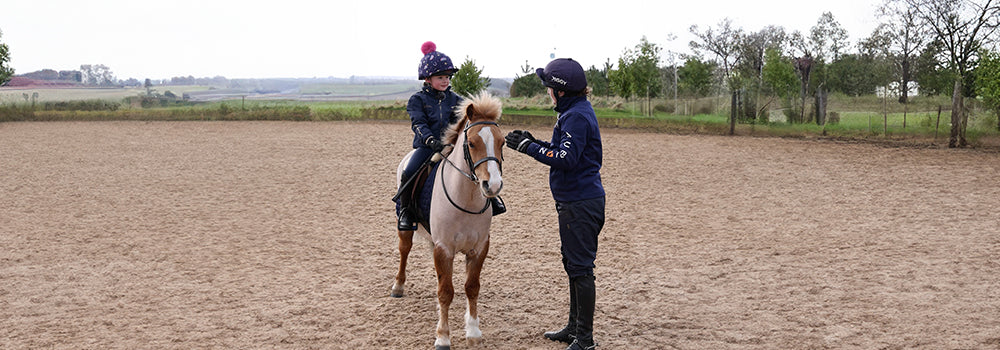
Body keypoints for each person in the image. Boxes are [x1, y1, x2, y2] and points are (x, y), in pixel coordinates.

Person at [504, 58, 605, 350]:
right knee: (573, 264)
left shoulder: (575, 116)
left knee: (581, 268)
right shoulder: (575, 111)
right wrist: (533, 141)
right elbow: (561, 149)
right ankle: (574, 328)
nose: (547, 92)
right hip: (575, 201)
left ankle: (584, 339)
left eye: (549, 87)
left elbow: (567, 159)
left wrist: (529, 149)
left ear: (559, 91)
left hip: (580, 203)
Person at [396, 41, 505, 231]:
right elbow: (418, 124)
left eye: (447, 76)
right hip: (427, 147)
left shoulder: (457, 100)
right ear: (428, 79)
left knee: (479, 164)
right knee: (409, 171)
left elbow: (465, 125)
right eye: (440, 77)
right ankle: (406, 211)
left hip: (453, 147)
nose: (446, 81)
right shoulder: (417, 100)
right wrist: (430, 141)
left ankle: (492, 199)